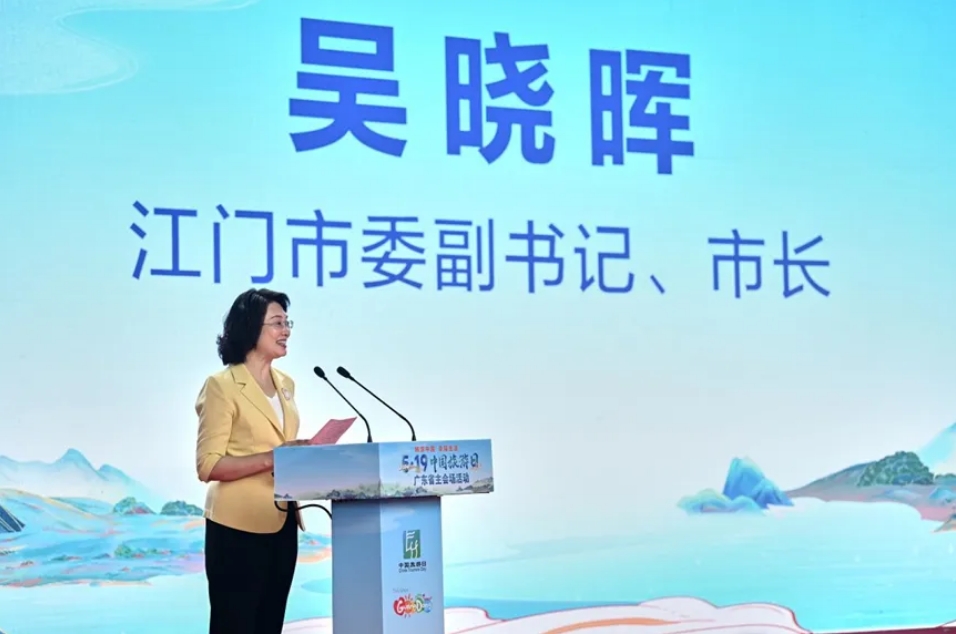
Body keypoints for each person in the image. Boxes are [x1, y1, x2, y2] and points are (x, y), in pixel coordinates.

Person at [195, 288, 305, 634]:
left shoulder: (286, 384)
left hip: (282, 521)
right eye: (277, 323)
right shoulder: (222, 386)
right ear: (250, 327)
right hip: (236, 528)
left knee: (270, 625)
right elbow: (208, 465)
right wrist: (274, 458)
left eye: (287, 323)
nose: (285, 331)